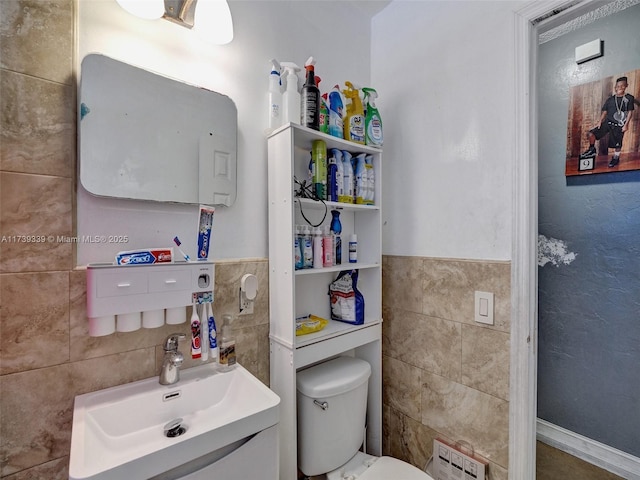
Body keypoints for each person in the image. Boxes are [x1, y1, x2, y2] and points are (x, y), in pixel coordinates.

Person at [579, 76, 635, 167]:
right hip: (608, 123)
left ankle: (616, 158)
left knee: (617, 143)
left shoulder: (629, 98)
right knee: (591, 134)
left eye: (622, 86)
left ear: (626, 86)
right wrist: (600, 121)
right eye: (618, 86)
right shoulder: (610, 99)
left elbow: (630, 112)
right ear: (615, 87)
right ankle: (592, 149)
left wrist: (626, 124)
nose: (619, 88)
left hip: (619, 124)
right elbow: (605, 111)